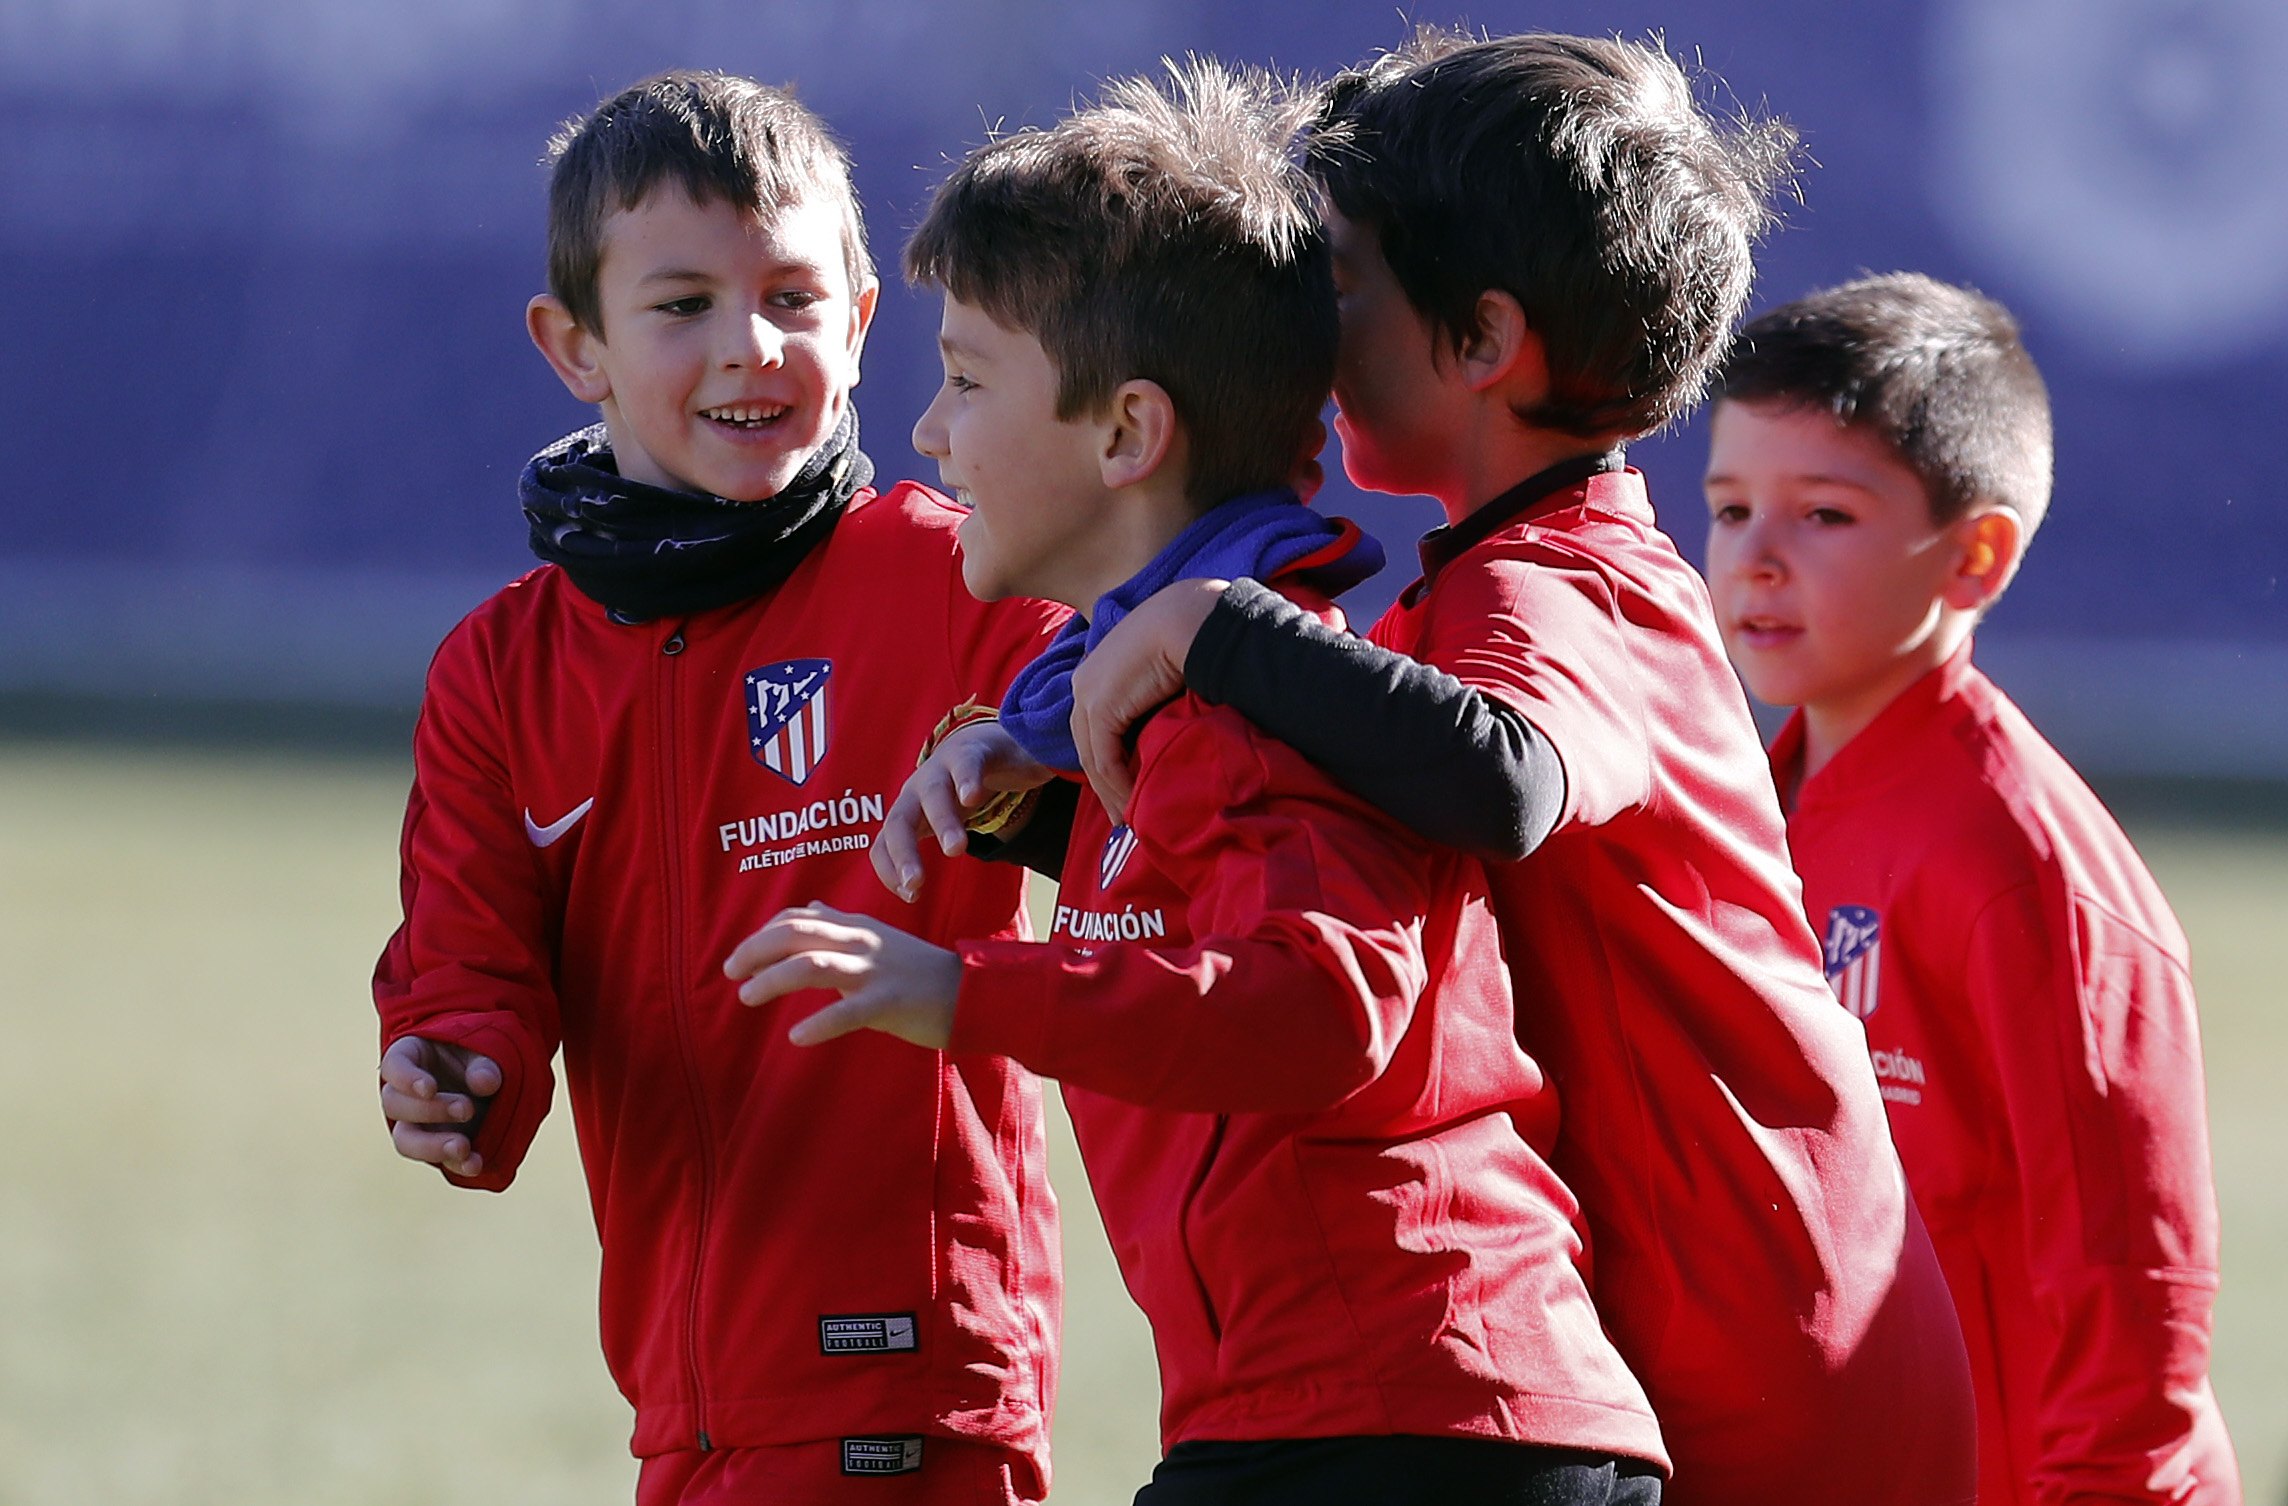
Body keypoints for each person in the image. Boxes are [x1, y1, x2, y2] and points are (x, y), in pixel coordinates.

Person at [897, 32, 1980, 1506]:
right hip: (1702, 1326)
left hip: (1767, 1335)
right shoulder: (1459, 601)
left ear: (1481, 343)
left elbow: (1504, 782)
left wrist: (1214, 622)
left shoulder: (1566, 583)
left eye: (1343, 281)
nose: (1310, 329)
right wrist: (1046, 802)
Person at [728, 61, 1671, 1506]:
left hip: (1412, 1425)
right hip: (1345, 1416)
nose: (926, 432)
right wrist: (1028, 786)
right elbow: (1196, 881)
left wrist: (963, 987)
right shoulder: (1162, 691)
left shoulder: (1251, 698)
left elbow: (1320, 1004)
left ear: (1127, 434)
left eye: (968, 378)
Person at [370, 72, 1068, 1506]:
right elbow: (467, 973)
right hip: (682, 1420)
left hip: (911, 1400)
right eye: (681, 304)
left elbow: (1165, 788)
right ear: (576, 347)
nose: (750, 348)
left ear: (866, 323)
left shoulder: (968, 579)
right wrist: (455, 1072)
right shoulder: (501, 673)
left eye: (795, 299)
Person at [1703, 272, 2241, 1506]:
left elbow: (2128, 1308)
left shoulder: (2023, 875)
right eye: (1729, 508)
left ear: (1974, 556)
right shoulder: (1733, 815)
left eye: (1823, 516)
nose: (1757, 558)